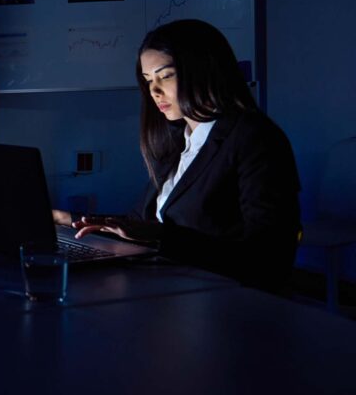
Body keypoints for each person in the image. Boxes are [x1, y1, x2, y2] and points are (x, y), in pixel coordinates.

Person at [53, 19, 300, 293]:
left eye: (165, 75)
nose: (154, 91)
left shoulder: (253, 138)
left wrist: (162, 236)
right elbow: (136, 226)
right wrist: (70, 219)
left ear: (203, 69)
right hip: (168, 286)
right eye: (148, 81)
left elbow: (269, 259)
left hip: (218, 298)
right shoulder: (178, 144)